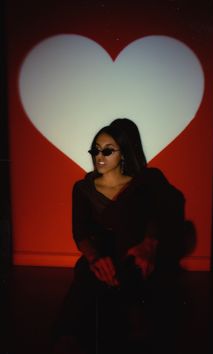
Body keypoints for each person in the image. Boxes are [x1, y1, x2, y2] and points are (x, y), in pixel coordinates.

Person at [52, 118, 190, 354]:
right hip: (102, 251)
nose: (99, 156)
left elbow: (164, 212)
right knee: (88, 275)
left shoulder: (144, 182)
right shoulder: (83, 188)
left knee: (134, 278)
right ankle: (71, 335)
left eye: (107, 150)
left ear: (124, 153)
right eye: (95, 150)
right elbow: (81, 233)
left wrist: (149, 243)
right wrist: (95, 258)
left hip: (134, 251)